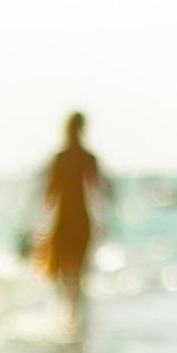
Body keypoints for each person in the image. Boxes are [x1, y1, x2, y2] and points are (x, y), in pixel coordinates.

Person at [35, 112, 113, 339]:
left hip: (65, 221)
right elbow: (102, 191)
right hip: (79, 220)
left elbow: (50, 194)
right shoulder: (87, 158)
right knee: (75, 275)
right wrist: (104, 223)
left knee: (62, 274)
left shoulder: (61, 158)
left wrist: (40, 228)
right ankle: (75, 324)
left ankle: (66, 323)